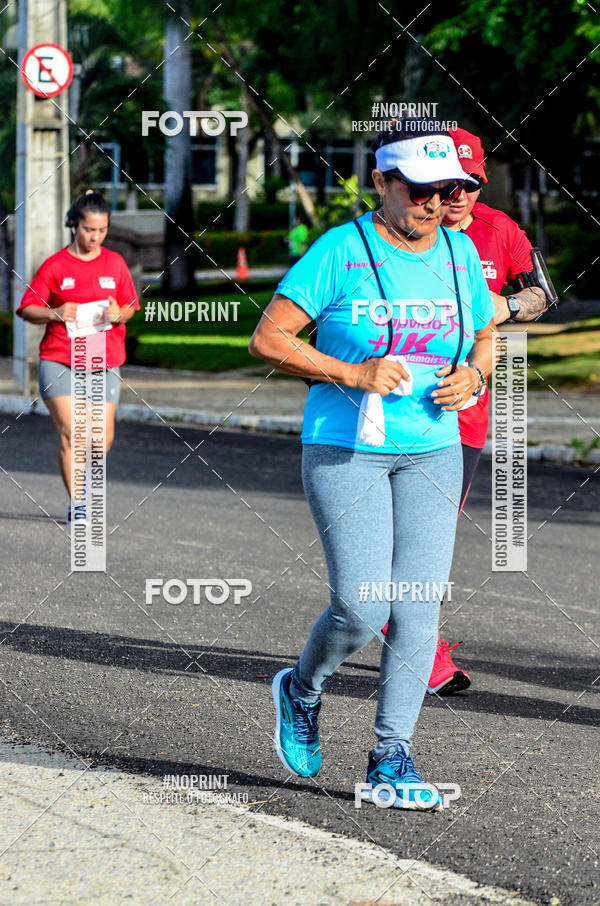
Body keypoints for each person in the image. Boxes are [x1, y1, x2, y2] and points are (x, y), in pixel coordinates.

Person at [250, 119, 496, 810]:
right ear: (381, 181)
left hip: (433, 448)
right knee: (362, 608)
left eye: (446, 189)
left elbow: (485, 334)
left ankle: (391, 757)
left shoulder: (459, 252)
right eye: (418, 189)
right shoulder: (340, 250)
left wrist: (475, 375)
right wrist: (352, 373)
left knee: (416, 608)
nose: (434, 202)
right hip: (346, 448)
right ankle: (302, 689)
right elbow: (268, 338)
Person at [423, 127, 551, 695]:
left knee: (435, 533)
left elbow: (543, 292)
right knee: (409, 535)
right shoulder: (400, 231)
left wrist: (505, 306)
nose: (459, 197)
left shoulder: (499, 230)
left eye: (470, 184)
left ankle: (412, 631)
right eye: (448, 185)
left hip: (467, 417)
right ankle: (416, 639)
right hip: (399, 411)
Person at [16, 190, 139, 524]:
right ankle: (79, 502)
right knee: (73, 432)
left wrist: (119, 313)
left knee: (99, 442)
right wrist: (54, 312)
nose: (95, 237)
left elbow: (130, 306)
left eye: (101, 230)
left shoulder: (115, 263)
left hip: (103, 357)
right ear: (74, 225)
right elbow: (27, 308)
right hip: (60, 357)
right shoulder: (55, 265)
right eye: (88, 229)